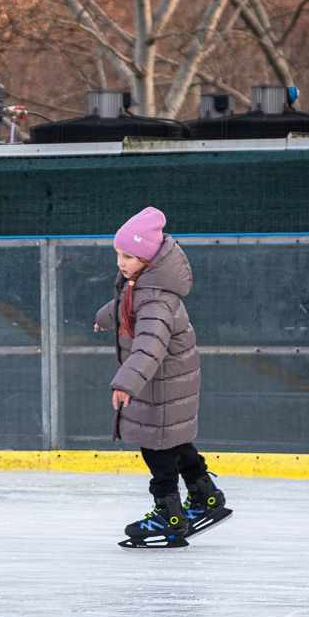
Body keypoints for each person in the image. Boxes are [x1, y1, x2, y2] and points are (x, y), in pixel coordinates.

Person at [93, 207, 228, 549]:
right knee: (175, 440)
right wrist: (104, 318)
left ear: (149, 259)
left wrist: (126, 382)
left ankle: (169, 514)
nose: (120, 262)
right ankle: (205, 493)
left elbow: (149, 346)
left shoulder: (154, 298)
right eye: (118, 255)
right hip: (167, 382)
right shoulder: (144, 286)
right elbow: (124, 305)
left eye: (128, 256)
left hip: (160, 382)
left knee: (157, 449)